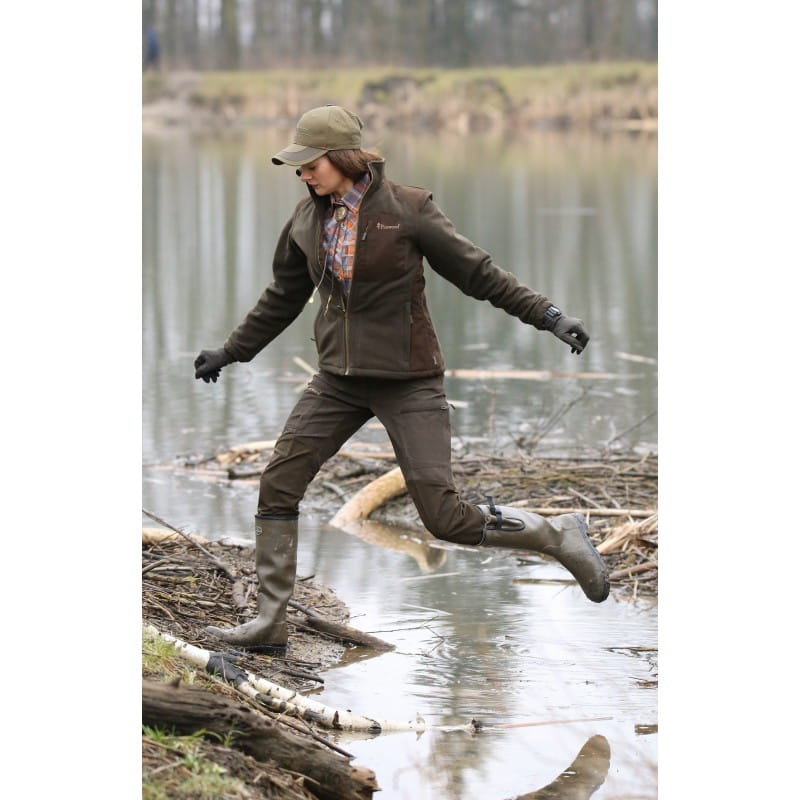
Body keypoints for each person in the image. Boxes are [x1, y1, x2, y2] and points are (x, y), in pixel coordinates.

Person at [194, 105, 609, 654]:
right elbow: (282, 298)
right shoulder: (306, 220)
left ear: (343, 157)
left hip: (409, 381)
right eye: (298, 166)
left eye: (311, 163)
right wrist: (231, 351)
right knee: (278, 485)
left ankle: (557, 535)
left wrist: (549, 316)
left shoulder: (408, 210)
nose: (303, 174)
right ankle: (270, 622)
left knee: (444, 518)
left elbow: (479, 274)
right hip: (337, 382)